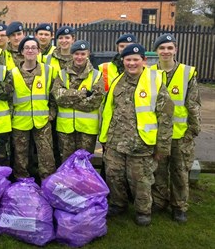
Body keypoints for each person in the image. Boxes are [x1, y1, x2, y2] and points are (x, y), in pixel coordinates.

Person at [99, 43, 173, 226]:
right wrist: (105, 139)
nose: (132, 63)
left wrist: (162, 146)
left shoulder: (154, 80)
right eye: (128, 60)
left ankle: (143, 211)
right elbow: (108, 111)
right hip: (116, 141)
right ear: (123, 60)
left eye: (135, 59)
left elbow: (166, 115)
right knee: (113, 175)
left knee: (140, 180)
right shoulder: (117, 81)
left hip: (141, 143)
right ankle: (118, 204)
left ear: (144, 60)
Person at [150, 34, 201, 223]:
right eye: (162, 48)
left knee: (180, 172)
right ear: (156, 51)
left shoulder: (187, 73)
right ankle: (159, 201)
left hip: (181, 135)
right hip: (157, 134)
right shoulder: (149, 73)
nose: (165, 51)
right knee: (158, 170)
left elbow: (193, 104)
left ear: (175, 50)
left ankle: (179, 206)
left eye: (169, 48)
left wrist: (193, 130)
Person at [10, 35, 56, 180]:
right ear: (22, 52)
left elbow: (54, 96)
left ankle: (47, 186)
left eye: (33, 48)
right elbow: (9, 99)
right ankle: (23, 187)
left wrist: (52, 114)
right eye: (27, 48)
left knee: (47, 158)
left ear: (39, 51)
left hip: (42, 122)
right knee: (20, 158)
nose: (30, 50)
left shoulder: (48, 71)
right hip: (19, 122)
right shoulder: (12, 73)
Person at [52, 40, 105, 162]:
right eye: (76, 54)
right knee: (66, 164)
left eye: (82, 54)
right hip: (65, 129)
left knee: (85, 165)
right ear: (72, 55)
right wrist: (84, 94)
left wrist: (69, 98)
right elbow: (58, 97)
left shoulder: (97, 75)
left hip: (87, 130)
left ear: (88, 54)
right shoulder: (62, 74)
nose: (79, 57)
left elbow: (95, 101)